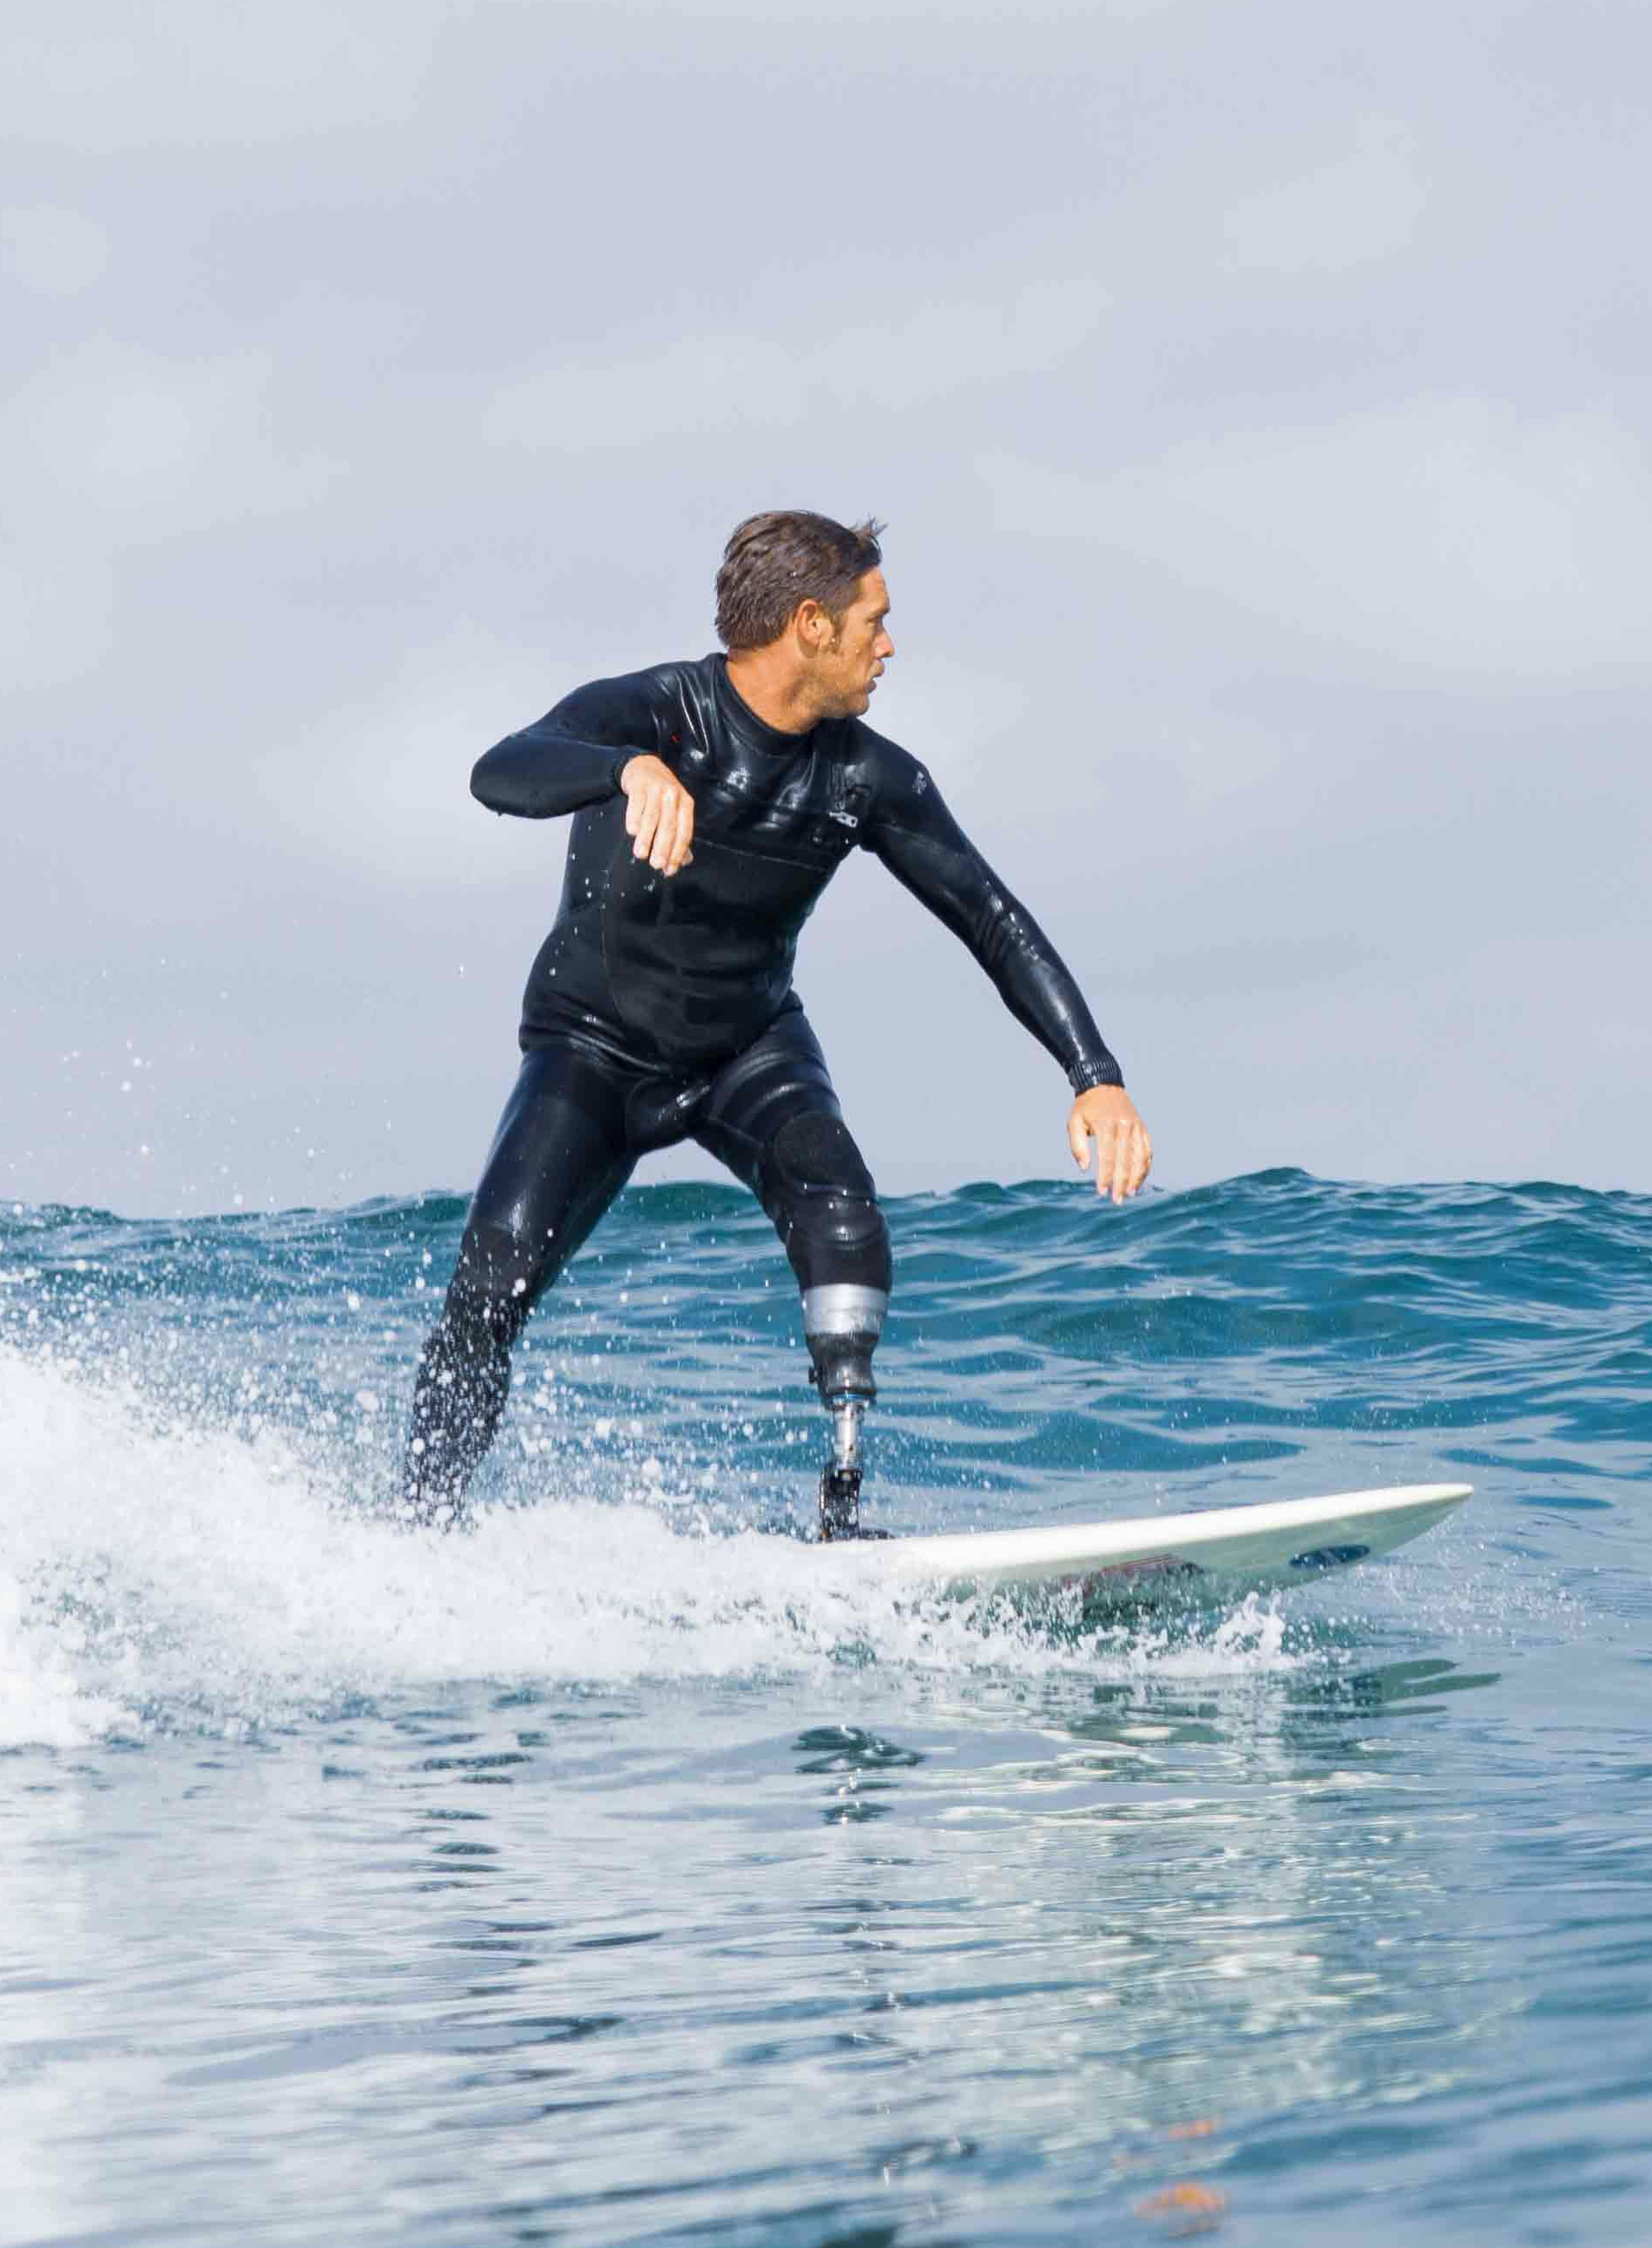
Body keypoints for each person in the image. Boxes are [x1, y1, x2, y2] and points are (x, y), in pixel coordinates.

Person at [401, 511, 1154, 1537]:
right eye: (874, 622)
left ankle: (841, 1511)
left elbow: (988, 912)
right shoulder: (656, 711)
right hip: (592, 1046)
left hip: (745, 1043)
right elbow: (504, 768)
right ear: (812, 623)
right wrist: (623, 768)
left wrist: (1093, 1072)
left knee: (842, 1213)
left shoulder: (865, 778)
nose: (889, 645)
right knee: (490, 1278)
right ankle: (418, 1526)